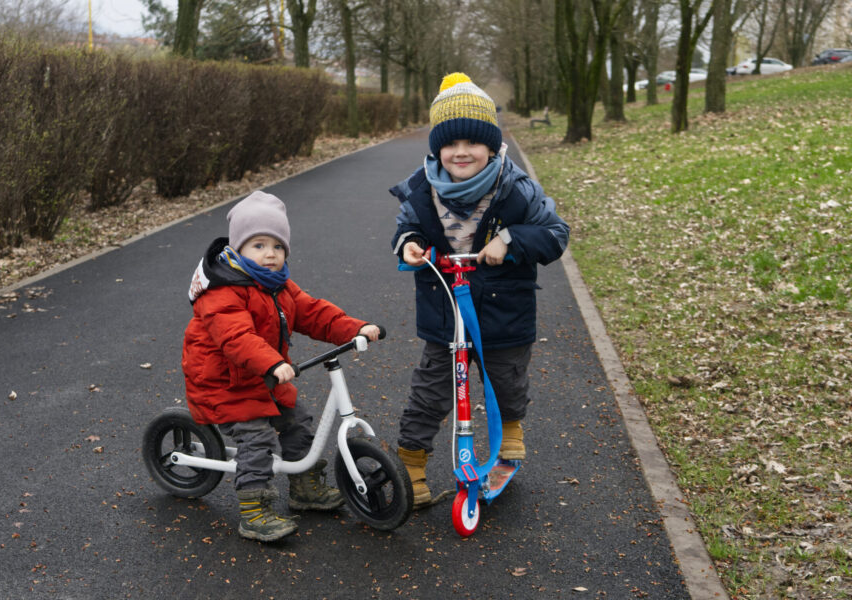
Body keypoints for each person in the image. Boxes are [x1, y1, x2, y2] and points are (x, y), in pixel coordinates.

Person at [390, 73, 570, 508]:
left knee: (506, 381)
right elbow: (406, 228)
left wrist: (510, 241)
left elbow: (555, 234)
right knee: (430, 391)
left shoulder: (517, 189)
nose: (461, 152)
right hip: (444, 311)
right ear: (438, 148)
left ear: (492, 146)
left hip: (504, 312)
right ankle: (411, 464)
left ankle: (509, 434)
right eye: (451, 144)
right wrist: (409, 245)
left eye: (473, 143)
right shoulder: (420, 189)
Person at [182, 190, 380, 542]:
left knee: (298, 422)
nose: (269, 253)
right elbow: (236, 337)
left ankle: (304, 487)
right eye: (258, 245)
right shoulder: (222, 292)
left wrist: (355, 328)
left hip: (266, 378)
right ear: (238, 248)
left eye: (277, 245)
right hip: (225, 384)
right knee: (257, 440)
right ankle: (254, 511)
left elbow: (313, 312)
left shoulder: (278, 286)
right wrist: (272, 362)